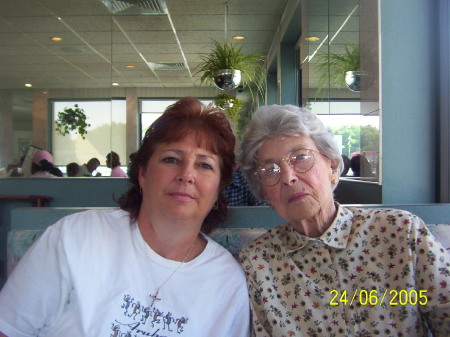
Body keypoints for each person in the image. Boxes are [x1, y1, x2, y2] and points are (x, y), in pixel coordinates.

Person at [0, 97, 250, 337]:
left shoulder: (227, 281)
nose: (186, 174)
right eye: (171, 159)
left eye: (204, 165)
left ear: (219, 187)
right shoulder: (76, 237)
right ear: (142, 173)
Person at [238, 104, 450, 337]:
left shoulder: (401, 232)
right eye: (271, 170)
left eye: (300, 157)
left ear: (332, 166)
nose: (288, 177)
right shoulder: (259, 262)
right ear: (264, 194)